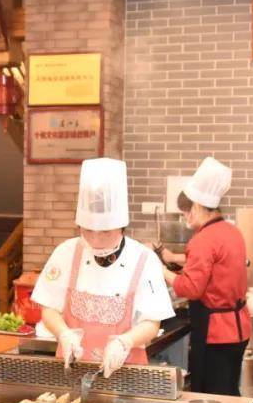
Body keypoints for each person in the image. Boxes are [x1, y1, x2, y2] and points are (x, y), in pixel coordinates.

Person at [33, 158, 174, 378]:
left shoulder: (144, 259)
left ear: (122, 227)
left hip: (126, 373)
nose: (96, 240)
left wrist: (125, 342)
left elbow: (151, 322)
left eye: (106, 232)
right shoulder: (65, 252)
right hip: (72, 372)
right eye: (88, 231)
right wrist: (63, 334)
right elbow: (48, 308)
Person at [156, 157, 251, 395]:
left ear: (197, 207)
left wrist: (162, 271)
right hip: (238, 329)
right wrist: (174, 258)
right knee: (229, 393)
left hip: (216, 333)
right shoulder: (232, 232)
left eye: (186, 213)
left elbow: (191, 288)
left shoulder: (203, 239)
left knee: (211, 398)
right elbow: (215, 266)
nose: (186, 218)